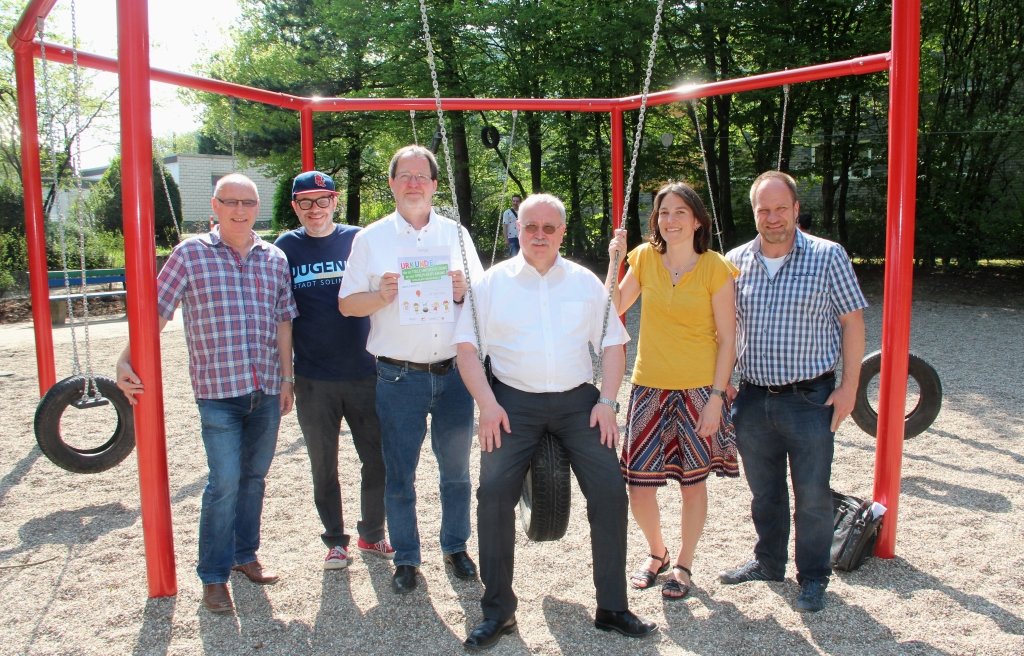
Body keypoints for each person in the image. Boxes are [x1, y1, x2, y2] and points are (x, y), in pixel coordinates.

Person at [454, 193, 656, 651]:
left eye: (549, 228)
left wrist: (608, 400)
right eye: (531, 227)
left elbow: (611, 344)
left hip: (579, 403)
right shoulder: (490, 284)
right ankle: (499, 610)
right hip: (512, 404)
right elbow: (467, 348)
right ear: (517, 230)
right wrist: (486, 404)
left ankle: (612, 606)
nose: (540, 235)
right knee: (494, 494)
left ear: (562, 232)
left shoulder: (585, 283)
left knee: (608, 490)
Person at [115, 173, 298, 614]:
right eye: (231, 202)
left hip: (266, 387)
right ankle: (213, 576)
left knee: (254, 478)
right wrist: (126, 358)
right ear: (214, 207)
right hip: (219, 391)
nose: (240, 210)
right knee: (224, 482)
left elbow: (283, 320)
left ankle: (244, 555)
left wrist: (288, 378)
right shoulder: (190, 254)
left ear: (259, 208)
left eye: (248, 202)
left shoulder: (273, 258)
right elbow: (156, 312)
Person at [338, 145, 484, 594]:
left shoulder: (456, 234)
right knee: (399, 472)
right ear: (392, 183)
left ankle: (455, 546)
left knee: (456, 471)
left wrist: (464, 291)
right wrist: (379, 296)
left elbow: (485, 300)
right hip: (398, 376)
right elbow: (346, 304)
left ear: (436, 185)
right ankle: (406, 556)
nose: (415, 183)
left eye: (423, 176)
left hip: (455, 374)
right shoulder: (371, 239)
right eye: (406, 175)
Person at [719, 171, 866, 613]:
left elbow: (852, 323)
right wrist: (722, 382)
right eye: (764, 209)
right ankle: (768, 561)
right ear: (754, 213)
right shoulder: (735, 261)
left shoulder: (827, 256)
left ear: (797, 209)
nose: (773, 217)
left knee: (813, 494)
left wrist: (849, 388)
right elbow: (724, 330)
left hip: (810, 398)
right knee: (764, 492)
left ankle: (814, 577)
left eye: (781, 208)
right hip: (752, 397)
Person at [606, 181, 739, 601]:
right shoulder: (644, 258)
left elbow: (728, 338)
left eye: (680, 212)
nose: (671, 220)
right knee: (639, 485)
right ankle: (657, 552)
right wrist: (614, 262)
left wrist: (717, 398)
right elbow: (612, 309)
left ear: (697, 220)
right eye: (664, 212)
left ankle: (683, 563)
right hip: (649, 386)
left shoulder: (715, 266)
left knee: (692, 483)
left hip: (699, 390)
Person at [274, 171, 394, 572]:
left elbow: (389, 292)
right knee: (323, 464)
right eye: (304, 202)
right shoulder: (285, 247)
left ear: (335, 201)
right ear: (295, 207)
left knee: (377, 459)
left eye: (321, 200)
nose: (314, 209)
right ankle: (335, 541)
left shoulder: (359, 240)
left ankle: (372, 533)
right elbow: (281, 317)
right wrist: (286, 376)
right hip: (313, 377)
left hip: (366, 370)